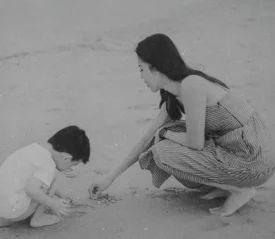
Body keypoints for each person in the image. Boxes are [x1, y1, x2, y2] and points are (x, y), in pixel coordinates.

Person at [89, 33, 275, 217]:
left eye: (141, 69)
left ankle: (238, 190)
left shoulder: (191, 84)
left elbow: (195, 144)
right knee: (165, 135)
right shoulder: (172, 94)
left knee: (164, 149)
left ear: (156, 68)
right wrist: (109, 178)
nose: (141, 76)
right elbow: (146, 138)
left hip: (255, 160)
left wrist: (165, 135)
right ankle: (227, 187)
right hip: (235, 153)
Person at [0, 125, 90, 227]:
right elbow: (31, 189)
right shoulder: (49, 165)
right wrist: (53, 204)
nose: (71, 169)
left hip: (4, 203)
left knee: (44, 183)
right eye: (73, 165)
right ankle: (37, 219)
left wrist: (60, 194)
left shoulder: (35, 149)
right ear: (66, 158)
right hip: (14, 211)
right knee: (50, 180)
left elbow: (29, 181)